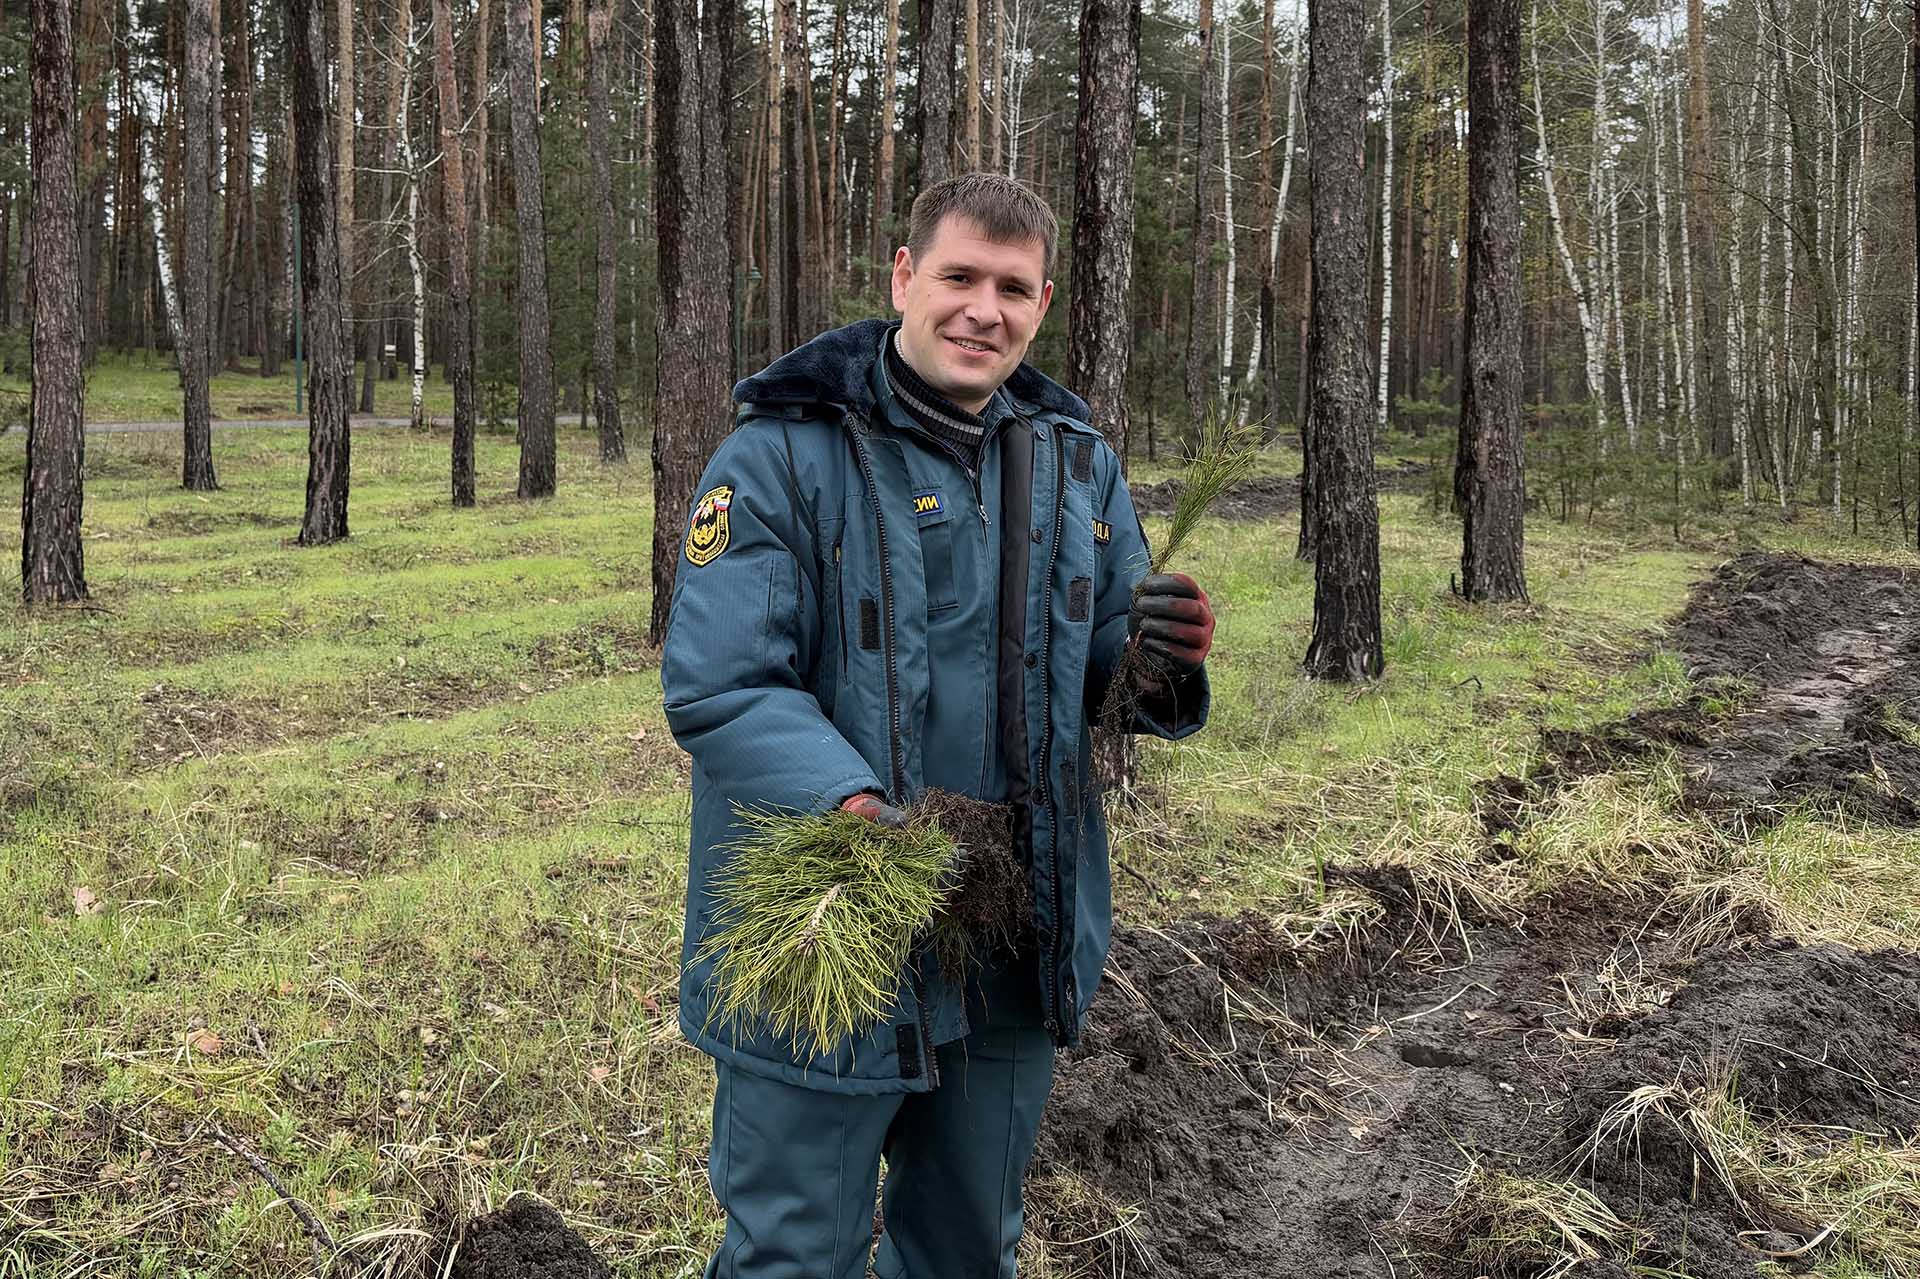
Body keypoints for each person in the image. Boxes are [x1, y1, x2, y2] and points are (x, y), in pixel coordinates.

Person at [661, 173, 1215, 1279]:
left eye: (1012, 287)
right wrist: (855, 808)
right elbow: (722, 684)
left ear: (1043, 303)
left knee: (967, 1247)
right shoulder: (782, 453)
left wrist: (1158, 663)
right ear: (905, 277)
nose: (983, 309)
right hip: (834, 910)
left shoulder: (1074, 463)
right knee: (792, 1248)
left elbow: (1106, 666)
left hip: (1011, 928)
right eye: (959, 276)